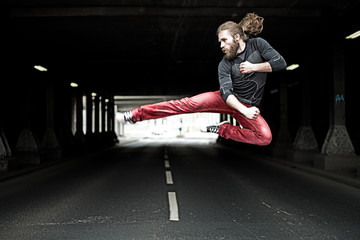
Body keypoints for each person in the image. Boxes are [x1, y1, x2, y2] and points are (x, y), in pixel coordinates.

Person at [119, 13, 287, 146]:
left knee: (264, 137)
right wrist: (244, 111)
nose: (221, 45)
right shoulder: (224, 64)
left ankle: (223, 129)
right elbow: (226, 93)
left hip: (248, 105)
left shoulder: (258, 45)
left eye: (224, 40)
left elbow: (280, 63)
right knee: (184, 104)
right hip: (226, 100)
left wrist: (254, 67)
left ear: (236, 38)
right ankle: (135, 114)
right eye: (219, 41)